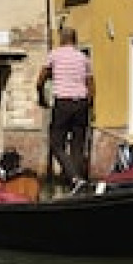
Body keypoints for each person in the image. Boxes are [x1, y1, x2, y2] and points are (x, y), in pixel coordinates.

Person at [36, 26, 95, 193]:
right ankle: (77, 183)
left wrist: (41, 97)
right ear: (75, 40)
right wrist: (90, 107)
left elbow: (40, 80)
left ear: (62, 39)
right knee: (77, 145)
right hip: (81, 103)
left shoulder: (54, 55)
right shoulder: (83, 58)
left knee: (56, 144)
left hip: (63, 103)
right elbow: (91, 85)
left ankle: (74, 178)